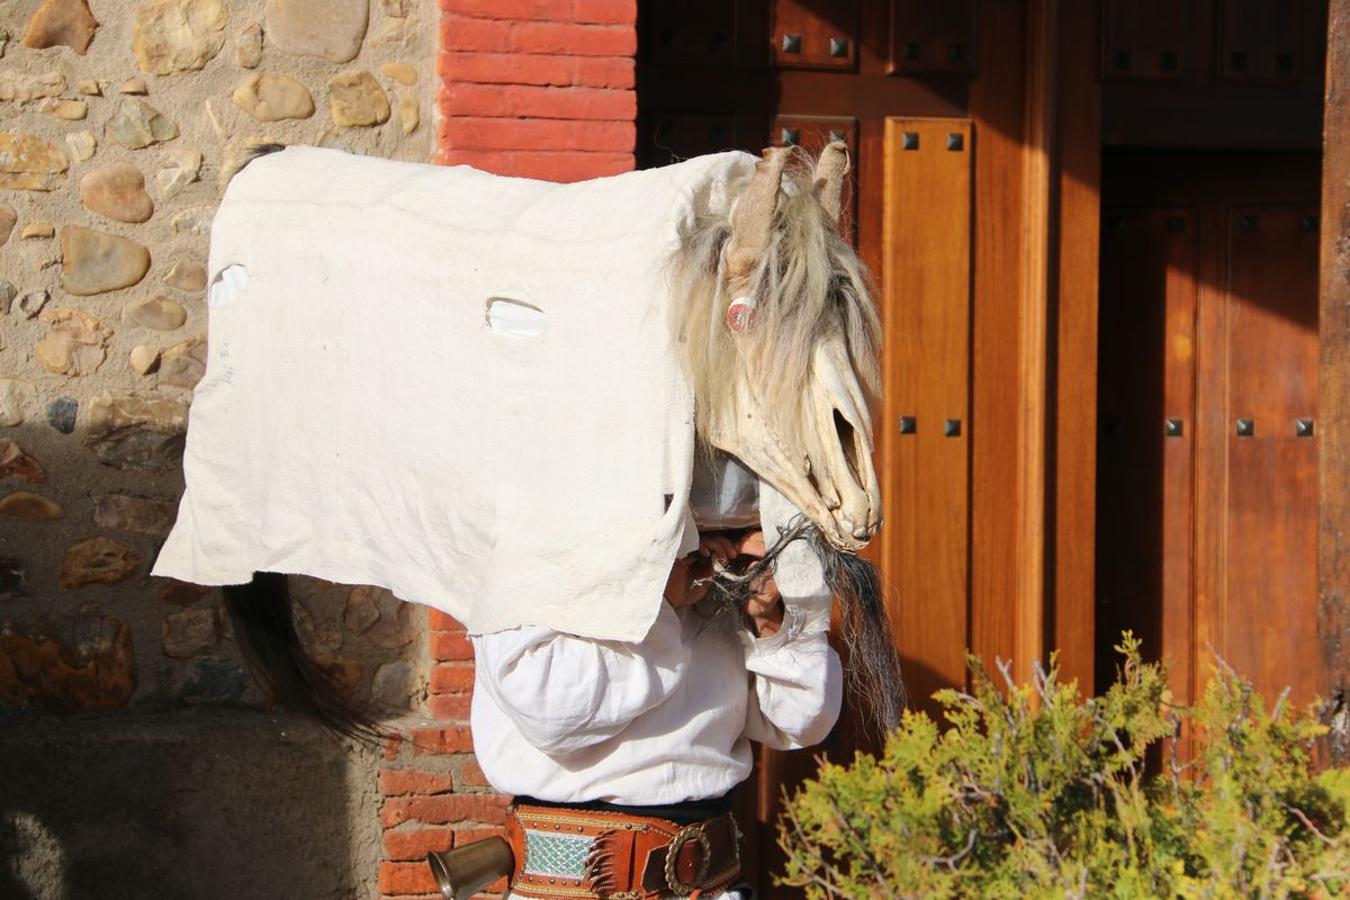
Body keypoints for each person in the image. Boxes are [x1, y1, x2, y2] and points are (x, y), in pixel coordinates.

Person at [469, 458, 844, 899]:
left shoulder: (716, 568)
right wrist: (658, 601)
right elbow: (553, 712)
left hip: (713, 884)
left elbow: (804, 721)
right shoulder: (532, 541)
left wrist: (768, 621)